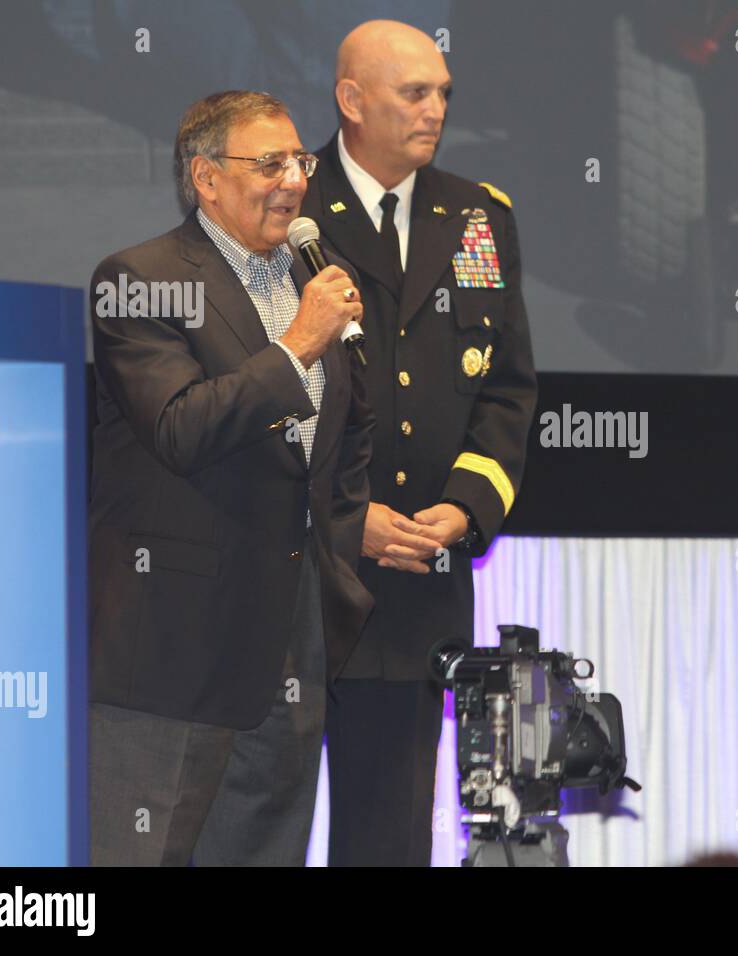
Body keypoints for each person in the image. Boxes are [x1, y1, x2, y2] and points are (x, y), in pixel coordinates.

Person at [89, 90, 375, 865]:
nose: (293, 179)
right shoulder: (139, 280)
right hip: (177, 643)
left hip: (295, 635)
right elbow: (181, 427)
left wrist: (337, 561)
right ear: (205, 178)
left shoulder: (315, 279)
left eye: (300, 161)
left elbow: (348, 442)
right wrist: (295, 347)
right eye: (268, 163)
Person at [300, 21, 538, 866]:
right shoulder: (288, 207)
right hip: (293, 578)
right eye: (414, 93)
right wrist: (341, 514)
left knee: (390, 841)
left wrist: (462, 509)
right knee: (252, 831)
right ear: (352, 100)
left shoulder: (477, 216)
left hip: (413, 593)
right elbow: (251, 392)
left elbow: (507, 389)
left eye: (443, 93)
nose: (435, 109)